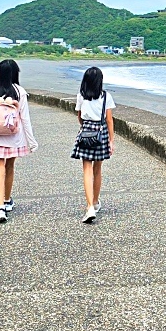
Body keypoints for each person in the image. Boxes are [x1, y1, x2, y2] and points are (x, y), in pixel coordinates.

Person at [0, 59, 37, 224]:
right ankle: (7, 199)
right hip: (14, 138)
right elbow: (25, 119)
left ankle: (0, 207)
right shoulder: (20, 92)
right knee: (10, 166)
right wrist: (31, 142)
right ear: (15, 73)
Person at [72, 67, 115, 224]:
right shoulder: (106, 96)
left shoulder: (81, 96)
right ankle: (95, 202)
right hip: (101, 132)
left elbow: (79, 117)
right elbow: (109, 120)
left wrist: (85, 127)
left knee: (87, 170)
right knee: (98, 169)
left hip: (86, 133)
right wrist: (111, 140)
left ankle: (89, 206)